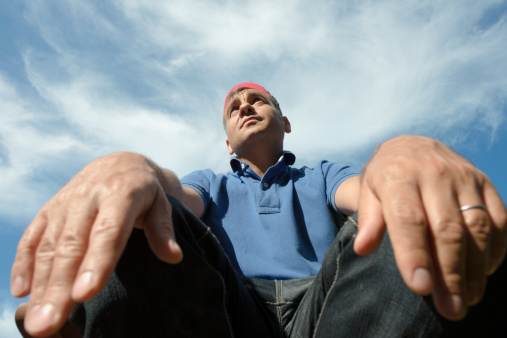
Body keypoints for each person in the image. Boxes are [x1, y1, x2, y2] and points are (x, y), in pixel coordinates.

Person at [11, 83, 507, 337]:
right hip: (230, 310)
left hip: (330, 310)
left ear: (285, 122)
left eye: (258, 101)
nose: (246, 106)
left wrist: (403, 153)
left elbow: (368, 192)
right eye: (235, 107)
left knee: (410, 208)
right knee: (142, 210)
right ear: (226, 140)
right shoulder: (210, 183)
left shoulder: (322, 174)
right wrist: (129, 167)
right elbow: (177, 200)